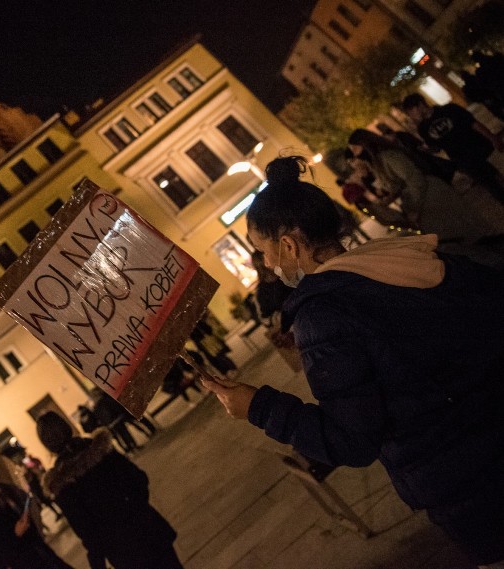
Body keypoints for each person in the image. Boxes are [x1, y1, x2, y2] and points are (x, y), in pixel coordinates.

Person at [200, 155, 504, 568]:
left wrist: (258, 406)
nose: (268, 265)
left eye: (264, 251)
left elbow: (351, 440)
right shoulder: (405, 259)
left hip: (467, 487)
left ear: (288, 244)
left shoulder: (324, 317)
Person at [36, 411, 182, 569]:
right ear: (66, 426)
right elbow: (139, 479)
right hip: (149, 530)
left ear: (46, 443)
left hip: (122, 552)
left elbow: (88, 534)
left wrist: (97, 562)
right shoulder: (100, 448)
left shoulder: (61, 484)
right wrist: (136, 508)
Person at [346, 128, 504, 262]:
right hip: (426, 201)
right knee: (463, 240)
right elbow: (397, 184)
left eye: (355, 149)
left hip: (432, 197)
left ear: (364, 144)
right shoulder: (379, 161)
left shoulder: (388, 156)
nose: (354, 154)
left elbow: (414, 179)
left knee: (470, 236)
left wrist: (414, 209)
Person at [401, 93, 504, 199]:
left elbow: (473, 123)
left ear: (420, 105)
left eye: (411, 111)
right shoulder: (423, 128)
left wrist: (492, 138)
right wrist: (428, 150)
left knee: (495, 176)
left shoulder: (449, 109)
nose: (411, 116)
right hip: (461, 159)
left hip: (477, 148)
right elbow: (437, 147)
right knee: (491, 186)